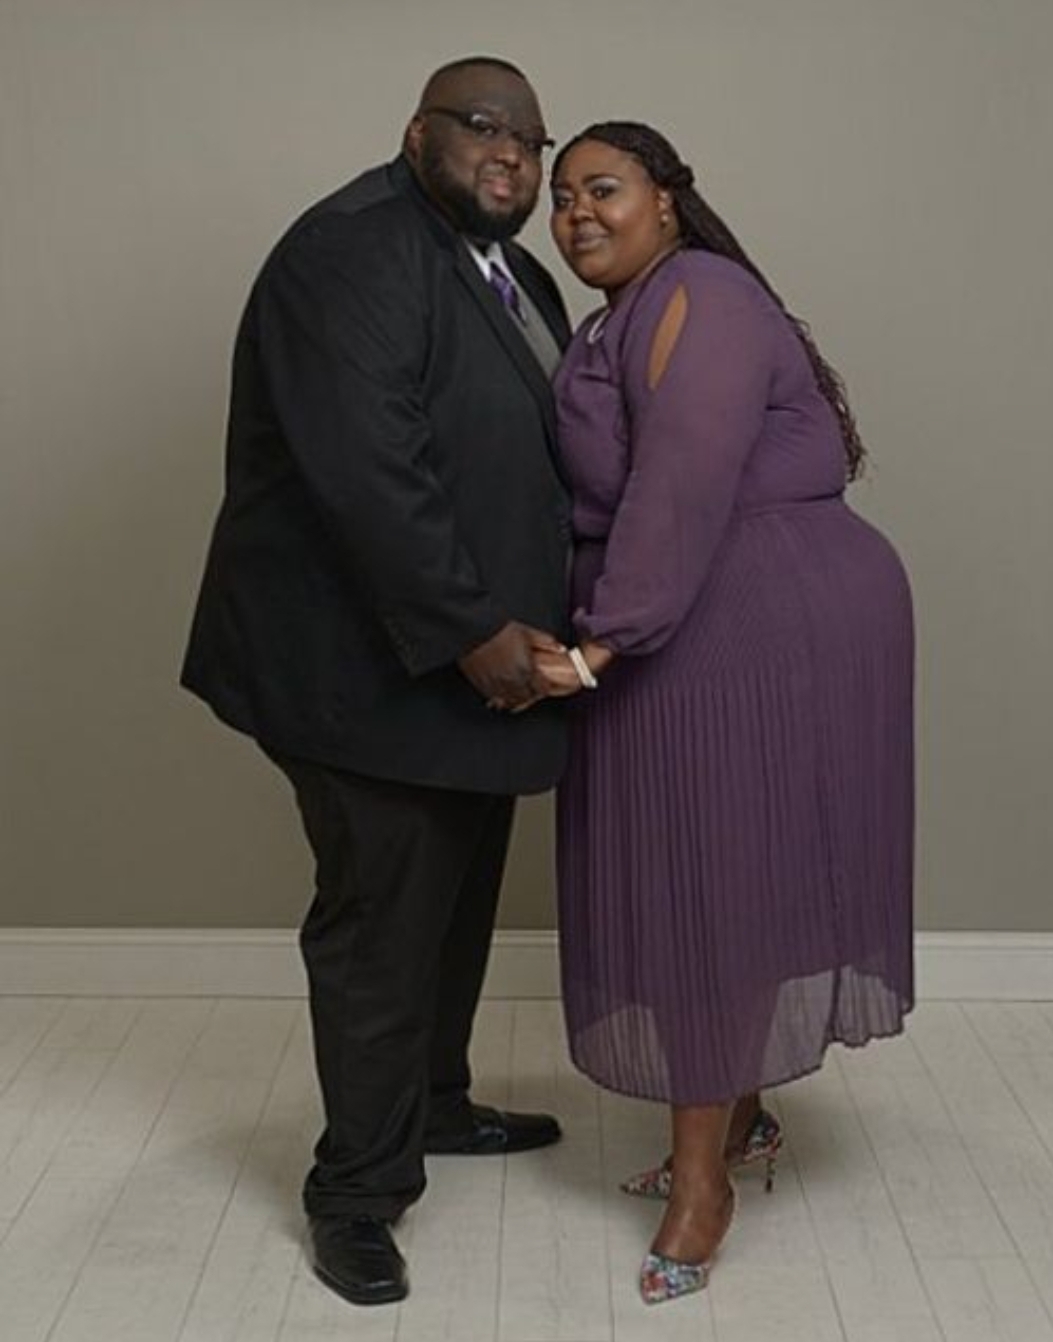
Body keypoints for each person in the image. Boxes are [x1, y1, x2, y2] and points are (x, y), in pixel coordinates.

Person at [181, 58, 573, 1308]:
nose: (511, 154)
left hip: (473, 671)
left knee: (452, 902)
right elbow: (368, 467)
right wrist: (472, 627)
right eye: (483, 126)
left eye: (531, 140)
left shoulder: (515, 275)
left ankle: (435, 1106)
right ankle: (355, 1191)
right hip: (364, 669)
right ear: (418, 134)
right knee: (381, 930)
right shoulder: (351, 249)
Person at [536, 122, 914, 1305]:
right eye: (560, 199)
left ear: (666, 200)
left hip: (753, 618)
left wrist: (600, 642)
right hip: (708, 610)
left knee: (707, 883)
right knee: (723, 872)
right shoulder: (617, 319)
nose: (577, 213)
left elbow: (683, 478)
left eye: (602, 188)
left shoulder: (701, 294)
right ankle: (739, 1118)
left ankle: (704, 1189)